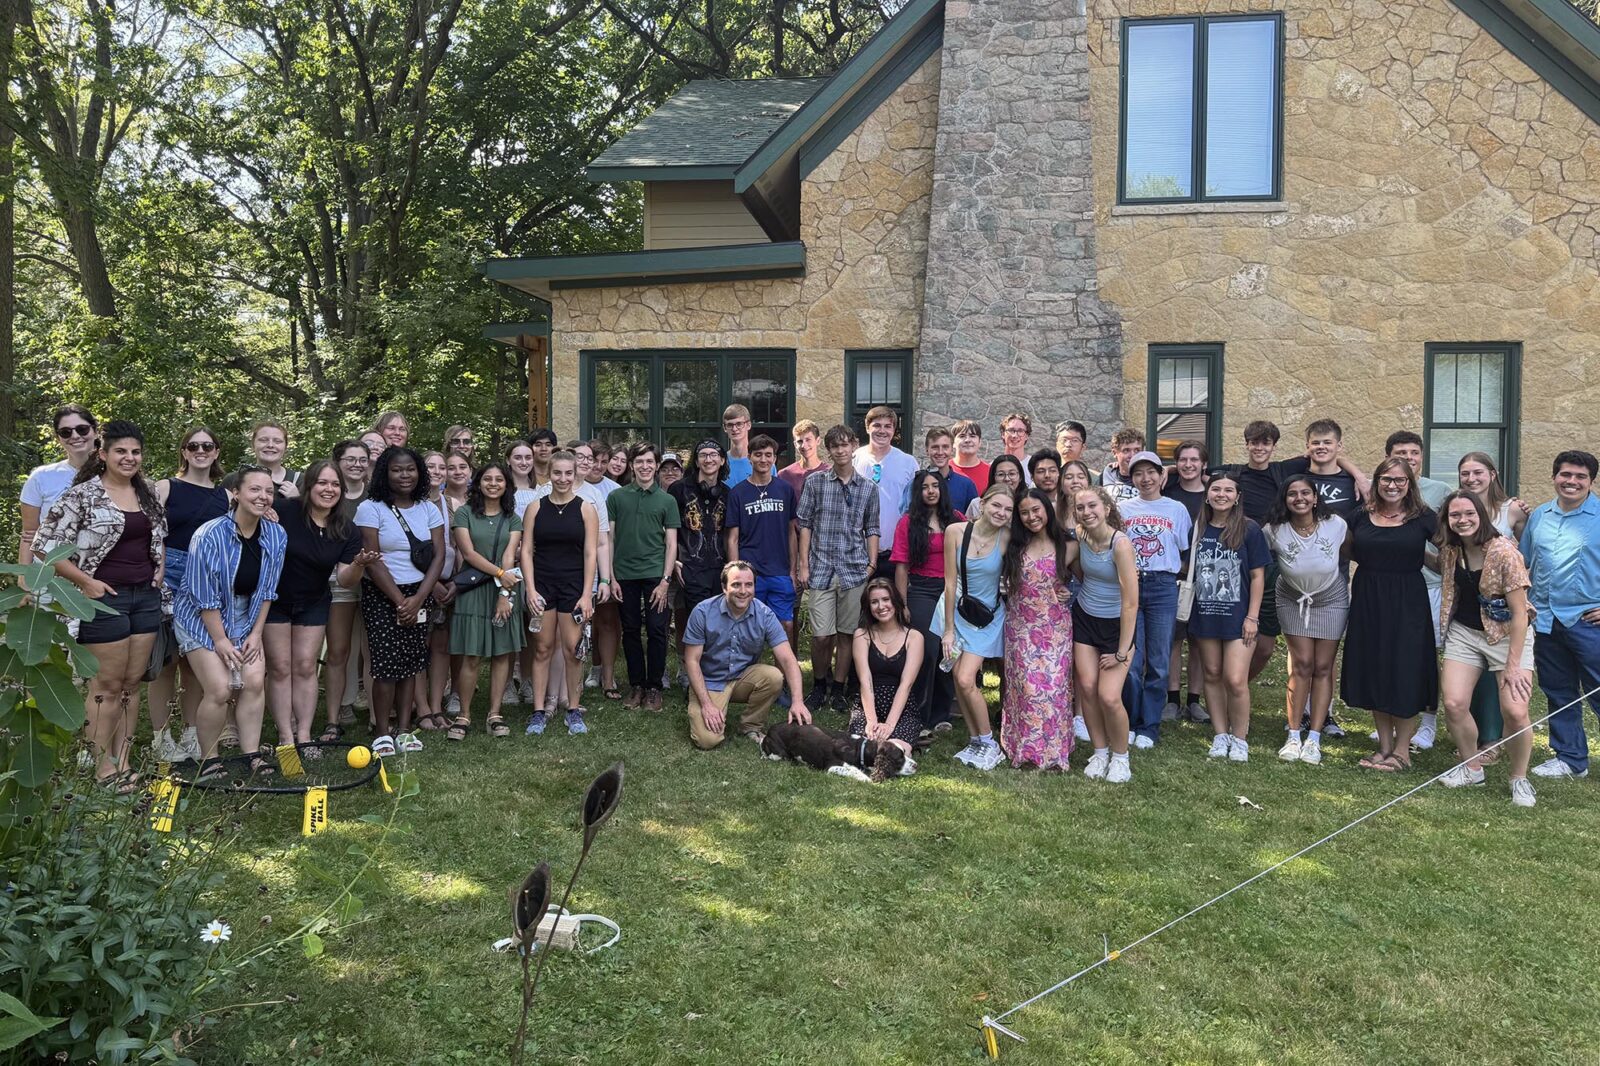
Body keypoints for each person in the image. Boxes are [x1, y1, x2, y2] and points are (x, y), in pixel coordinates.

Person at [33, 420, 168, 787]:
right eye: (121, 451)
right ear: (103, 454)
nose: (129, 458)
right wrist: (86, 582)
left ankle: (123, 761)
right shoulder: (82, 496)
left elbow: (159, 536)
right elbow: (45, 547)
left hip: (145, 597)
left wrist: (160, 569)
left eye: (135, 452)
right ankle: (102, 768)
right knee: (105, 686)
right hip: (104, 599)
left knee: (130, 684)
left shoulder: (148, 493)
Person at [174, 467, 286, 774]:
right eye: (254, 490)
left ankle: (251, 754)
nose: (263, 497)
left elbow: (267, 590)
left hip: (245, 614)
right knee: (220, 689)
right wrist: (221, 641)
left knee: (253, 681)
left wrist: (256, 633)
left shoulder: (276, 534)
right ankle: (208, 759)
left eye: (269, 492)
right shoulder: (209, 534)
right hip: (200, 615)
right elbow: (202, 595)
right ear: (235, 493)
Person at [1434, 491, 1538, 807]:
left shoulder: (1504, 552)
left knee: (1516, 711)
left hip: (1508, 634)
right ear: (1448, 520)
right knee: (1453, 703)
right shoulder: (1452, 551)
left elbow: (1520, 614)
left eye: (1469, 513)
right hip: (1465, 633)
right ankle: (1471, 767)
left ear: (1480, 515)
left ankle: (1519, 778)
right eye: (1455, 515)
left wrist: (1512, 664)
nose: (1462, 520)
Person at [265, 461, 373, 749]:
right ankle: (286, 737)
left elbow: (346, 579)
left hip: (313, 601)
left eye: (335, 484)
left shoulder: (346, 529)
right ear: (309, 485)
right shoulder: (285, 511)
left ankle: (304, 735)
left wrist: (360, 565)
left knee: (305, 667)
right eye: (322, 483)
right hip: (274, 600)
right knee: (280, 667)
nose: (329, 489)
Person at [1341, 457, 1439, 771]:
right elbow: (1349, 550)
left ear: (1409, 483)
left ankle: (1402, 751)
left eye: (1399, 480)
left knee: (1405, 669)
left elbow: (1449, 551)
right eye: (1386, 479)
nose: (1392, 485)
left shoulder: (1424, 517)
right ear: (1377, 481)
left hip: (1408, 599)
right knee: (1376, 668)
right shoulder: (1359, 516)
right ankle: (1383, 747)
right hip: (1369, 597)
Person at [355, 446, 446, 757]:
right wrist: (400, 601)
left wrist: (419, 598)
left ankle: (405, 729)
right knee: (385, 665)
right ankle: (382, 732)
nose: (404, 475)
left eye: (410, 469)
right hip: (383, 595)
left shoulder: (428, 508)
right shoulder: (371, 508)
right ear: (384, 473)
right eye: (396, 470)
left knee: (411, 662)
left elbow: (439, 555)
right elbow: (372, 559)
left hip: (419, 593)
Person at [148, 427, 229, 763]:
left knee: (195, 661)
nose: (200, 451)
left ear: (216, 451)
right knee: (165, 660)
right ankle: (160, 736)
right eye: (193, 445)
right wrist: (156, 568)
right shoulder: (166, 487)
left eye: (207, 445)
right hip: (168, 571)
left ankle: (192, 731)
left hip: (206, 579)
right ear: (183, 451)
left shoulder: (226, 496)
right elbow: (149, 529)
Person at [1520, 449, 1600, 781]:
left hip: (1587, 621)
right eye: (1566, 474)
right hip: (1545, 619)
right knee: (1558, 690)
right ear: (1554, 477)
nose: (1572, 481)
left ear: (1591, 482)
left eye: (1580, 476)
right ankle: (1571, 759)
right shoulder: (1540, 515)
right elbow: (1523, 563)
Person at [1263, 476, 1349, 765]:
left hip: (1332, 599)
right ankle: (1293, 734)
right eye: (1292, 494)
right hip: (1291, 599)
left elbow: (1346, 553)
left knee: (1323, 667)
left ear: (1315, 497)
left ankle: (1314, 738)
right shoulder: (1274, 530)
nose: (1299, 498)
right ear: (1284, 499)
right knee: (1302, 665)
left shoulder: (1335, 524)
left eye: (1305, 493)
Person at [796, 424, 880, 713]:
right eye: (835, 446)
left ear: (854, 446)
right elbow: (804, 524)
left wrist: (872, 564)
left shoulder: (868, 488)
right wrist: (803, 565)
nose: (841, 450)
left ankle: (839, 688)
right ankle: (819, 684)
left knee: (847, 634)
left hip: (854, 570)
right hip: (820, 569)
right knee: (822, 635)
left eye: (846, 445)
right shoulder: (816, 483)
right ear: (828, 450)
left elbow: (872, 527)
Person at [683, 561, 811, 748]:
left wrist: (798, 701)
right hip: (709, 680)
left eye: (748, 585)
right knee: (708, 740)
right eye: (736, 584)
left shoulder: (764, 614)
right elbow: (691, 661)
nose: (743, 591)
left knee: (774, 676)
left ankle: (751, 725)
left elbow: (787, 659)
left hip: (742, 677)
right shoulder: (702, 612)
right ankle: (701, 702)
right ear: (724, 587)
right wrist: (707, 705)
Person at [1188, 474, 1269, 762]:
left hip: (1238, 617)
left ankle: (1240, 738)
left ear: (1237, 496)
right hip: (1206, 614)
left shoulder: (1249, 529)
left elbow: (1258, 576)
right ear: (1207, 495)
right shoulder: (1198, 528)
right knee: (1211, 674)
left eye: (1228, 490)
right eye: (1216, 489)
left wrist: (1253, 617)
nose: (1221, 494)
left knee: (1235, 679)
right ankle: (1220, 735)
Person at [932, 483, 1012, 771]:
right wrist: (949, 630)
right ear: (983, 503)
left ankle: (991, 742)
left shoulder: (1007, 537)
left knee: (967, 679)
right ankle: (975, 738)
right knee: (957, 677)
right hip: (955, 613)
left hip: (986, 619)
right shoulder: (956, 531)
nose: (1001, 512)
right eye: (996, 505)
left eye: (1007, 509)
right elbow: (950, 581)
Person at [1457, 450, 1531, 755]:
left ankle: (1492, 739)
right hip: (1468, 603)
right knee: (1468, 676)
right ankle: (1473, 738)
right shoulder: (1458, 508)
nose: (1472, 478)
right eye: (1465, 474)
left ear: (1493, 474)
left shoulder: (1512, 509)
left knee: (1496, 679)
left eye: (1478, 472)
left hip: (1503, 607)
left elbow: (1528, 549)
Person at [1119, 450, 1192, 747]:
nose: (1145, 478)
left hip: (1163, 585)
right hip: (1131, 585)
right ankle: (1131, 720)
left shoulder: (1177, 509)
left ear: (1162, 475)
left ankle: (1150, 725)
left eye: (1151, 472)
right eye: (1138, 473)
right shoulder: (1122, 509)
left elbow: (1183, 549)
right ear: (1132, 478)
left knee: (1160, 660)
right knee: (1132, 660)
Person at [1001, 489, 1078, 770]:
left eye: (1036, 510)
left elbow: (1085, 580)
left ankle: (1056, 753)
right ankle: (1027, 752)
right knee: (1027, 689)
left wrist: (1070, 592)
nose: (1032, 517)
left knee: (1055, 688)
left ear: (1047, 509)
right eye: (1025, 512)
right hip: (1020, 626)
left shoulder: (1069, 545)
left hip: (1055, 626)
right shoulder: (1013, 544)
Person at [522, 450, 598, 734]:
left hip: (573, 586)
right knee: (542, 648)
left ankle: (573, 710)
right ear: (549, 474)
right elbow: (526, 551)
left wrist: (587, 594)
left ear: (575, 473)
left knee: (573, 650)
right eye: (557, 473)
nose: (563, 478)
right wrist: (530, 588)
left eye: (568, 473)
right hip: (542, 585)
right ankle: (539, 711)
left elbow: (591, 553)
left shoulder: (585, 508)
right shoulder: (536, 508)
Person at [1384, 430, 1452, 749]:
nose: (1409, 458)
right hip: (1393, 589)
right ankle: (1396, 717)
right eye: (1401, 453)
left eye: (1414, 452)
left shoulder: (1439, 491)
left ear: (1422, 456)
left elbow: (1450, 537)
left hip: (1432, 586)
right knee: (1395, 654)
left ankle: (1428, 723)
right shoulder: (1383, 489)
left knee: (1427, 657)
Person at [448, 462, 524, 739]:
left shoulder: (513, 518)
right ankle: (464, 714)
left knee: (502, 653)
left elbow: (509, 555)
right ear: (478, 483)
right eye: (487, 479)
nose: (493, 483)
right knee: (471, 654)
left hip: (503, 589)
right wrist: (501, 574)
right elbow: (468, 553)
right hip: (474, 591)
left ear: (507, 485)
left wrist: (505, 594)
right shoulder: (465, 513)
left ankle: (495, 712)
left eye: (499, 480)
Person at [1070, 487, 1139, 783]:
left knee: (1109, 697)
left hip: (1117, 627)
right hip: (1085, 618)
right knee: (1086, 688)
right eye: (1081, 508)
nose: (1087, 512)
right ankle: (1100, 752)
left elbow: (1131, 601)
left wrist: (1122, 651)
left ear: (1107, 508)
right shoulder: (1080, 534)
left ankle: (1121, 757)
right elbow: (1079, 572)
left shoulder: (1120, 544)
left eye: (1092, 506)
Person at [606, 442, 679, 711]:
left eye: (650, 462)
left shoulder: (667, 501)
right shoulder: (617, 497)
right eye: (639, 462)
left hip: (655, 575)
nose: (645, 467)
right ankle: (636, 685)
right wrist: (611, 577)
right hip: (624, 575)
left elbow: (671, 544)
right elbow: (610, 538)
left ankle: (654, 687)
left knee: (658, 631)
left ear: (656, 465)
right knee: (631, 630)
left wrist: (665, 580)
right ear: (632, 465)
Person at [892, 469, 955, 733]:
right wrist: (902, 604)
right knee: (927, 651)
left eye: (935, 486)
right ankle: (918, 714)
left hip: (951, 590)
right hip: (921, 590)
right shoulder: (908, 523)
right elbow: (902, 568)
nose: (931, 491)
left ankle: (942, 714)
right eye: (925, 487)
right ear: (918, 493)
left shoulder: (956, 520)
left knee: (948, 652)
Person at [727, 435, 800, 656]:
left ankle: (785, 682)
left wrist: (793, 571)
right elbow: (732, 539)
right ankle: (749, 679)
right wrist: (734, 573)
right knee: (748, 630)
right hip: (750, 573)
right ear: (749, 457)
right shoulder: (738, 492)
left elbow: (792, 532)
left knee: (785, 626)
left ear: (775, 458)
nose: (763, 459)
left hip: (780, 571)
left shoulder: (785, 490)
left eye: (768, 455)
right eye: (758, 454)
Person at [326, 440, 372, 728]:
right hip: (337, 581)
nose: (357, 464)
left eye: (362, 459)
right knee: (339, 650)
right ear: (338, 461)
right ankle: (338, 712)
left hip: (373, 581)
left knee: (371, 650)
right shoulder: (329, 493)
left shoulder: (375, 496)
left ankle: (376, 715)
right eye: (350, 459)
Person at [1161, 440, 1208, 725]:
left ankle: (1195, 701)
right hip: (1176, 575)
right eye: (1182, 460)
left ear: (1204, 463)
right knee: (1174, 640)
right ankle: (1172, 698)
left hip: (1208, 576)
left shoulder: (1213, 493)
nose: (1188, 465)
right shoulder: (1169, 491)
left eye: (1194, 460)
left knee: (1200, 641)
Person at [850, 578, 925, 752]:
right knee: (863, 749)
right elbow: (865, 680)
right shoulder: (862, 635)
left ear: (895, 602)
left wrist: (890, 725)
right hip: (867, 706)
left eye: (886, 599)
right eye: (874, 602)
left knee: (897, 751)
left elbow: (906, 685)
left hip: (901, 708)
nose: (881, 606)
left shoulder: (914, 637)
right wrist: (871, 721)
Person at [19, 404, 99, 566]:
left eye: (82, 429)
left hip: (101, 574)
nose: (75, 436)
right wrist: (25, 580)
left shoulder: (115, 474)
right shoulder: (41, 477)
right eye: (66, 432)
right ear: (58, 438)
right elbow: (29, 535)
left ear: (95, 431)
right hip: (49, 575)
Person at [670, 439, 729, 634]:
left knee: (719, 622)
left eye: (713, 455)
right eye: (703, 455)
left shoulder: (728, 494)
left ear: (722, 460)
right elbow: (668, 528)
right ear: (696, 462)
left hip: (720, 568)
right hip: (691, 568)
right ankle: (692, 663)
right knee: (697, 621)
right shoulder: (679, 489)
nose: (708, 459)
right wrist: (675, 560)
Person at [854, 405, 918, 580]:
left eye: (887, 426)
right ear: (868, 428)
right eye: (877, 425)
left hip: (896, 553)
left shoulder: (908, 463)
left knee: (892, 605)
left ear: (894, 430)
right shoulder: (854, 460)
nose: (882, 431)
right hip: (859, 552)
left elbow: (915, 507)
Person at [581, 439, 623, 699]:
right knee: (583, 620)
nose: (597, 466)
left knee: (607, 620)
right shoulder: (566, 485)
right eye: (593, 460)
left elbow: (612, 536)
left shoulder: (614, 490)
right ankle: (588, 669)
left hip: (606, 561)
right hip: (576, 562)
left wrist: (610, 574)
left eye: (603, 462)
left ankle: (607, 676)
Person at [901, 426, 977, 515]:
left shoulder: (966, 485)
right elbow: (906, 520)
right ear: (927, 450)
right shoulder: (914, 484)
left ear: (952, 450)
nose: (940, 452)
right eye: (935, 447)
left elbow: (974, 522)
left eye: (945, 447)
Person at [249, 421, 300, 500]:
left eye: (277, 441)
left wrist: (297, 499)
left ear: (285, 447)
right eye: (263, 440)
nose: (270, 445)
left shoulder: (300, 481)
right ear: (253, 444)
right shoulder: (234, 479)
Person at [968, 454, 1026, 518]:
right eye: (1001, 474)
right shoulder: (977, 504)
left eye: (1012, 474)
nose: (1007, 479)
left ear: (1020, 477)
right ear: (993, 477)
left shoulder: (1028, 503)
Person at [778, 419, 825, 497]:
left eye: (808, 440)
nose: (804, 445)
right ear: (795, 444)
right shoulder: (784, 475)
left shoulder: (830, 472)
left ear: (818, 441)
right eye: (800, 441)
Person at [1099, 427, 1145, 504]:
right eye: (1126, 450)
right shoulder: (1107, 473)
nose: (1132, 455)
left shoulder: (1151, 477)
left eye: (1137, 450)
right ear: (1114, 453)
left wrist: (1171, 468)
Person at [950, 419, 990, 493]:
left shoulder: (990, 472)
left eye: (972, 436)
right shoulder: (945, 469)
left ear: (980, 442)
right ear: (953, 443)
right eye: (962, 436)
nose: (967, 440)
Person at [722, 404, 753, 486]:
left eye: (739, 424)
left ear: (748, 425)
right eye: (730, 425)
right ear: (725, 428)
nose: (734, 429)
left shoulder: (763, 461)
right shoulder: (720, 462)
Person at [999, 412, 1033, 478]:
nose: (1015, 435)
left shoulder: (1034, 466)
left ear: (1026, 436)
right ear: (1003, 434)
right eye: (1011, 430)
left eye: (1020, 431)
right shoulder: (994, 466)